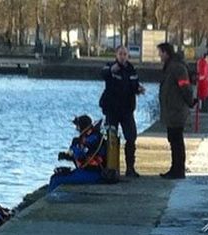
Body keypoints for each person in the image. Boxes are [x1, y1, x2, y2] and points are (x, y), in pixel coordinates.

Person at [99, 45, 146, 178]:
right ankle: (111, 168)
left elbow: (134, 85)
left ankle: (130, 168)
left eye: (125, 54)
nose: (122, 56)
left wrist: (139, 89)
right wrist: (110, 71)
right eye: (120, 54)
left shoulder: (131, 69)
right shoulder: (110, 67)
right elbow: (103, 73)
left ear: (128, 56)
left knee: (131, 137)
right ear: (116, 54)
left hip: (127, 110)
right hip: (112, 109)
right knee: (111, 138)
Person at [157, 42, 195, 179]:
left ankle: (178, 170)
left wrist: (190, 102)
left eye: (160, 52)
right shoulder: (170, 67)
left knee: (177, 140)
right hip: (172, 110)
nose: (159, 55)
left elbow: (185, 87)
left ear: (166, 53)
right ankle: (175, 168)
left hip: (176, 110)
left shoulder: (177, 68)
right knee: (173, 139)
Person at [48, 115, 108, 192]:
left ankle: (51, 200)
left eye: (78, 127)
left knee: (56, 179)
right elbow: (81, 156)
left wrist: (72, 151)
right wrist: (66, 156)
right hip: (86, 171)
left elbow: (82, 154)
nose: (77, 129)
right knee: (58, 175)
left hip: (93, 174)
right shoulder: (87, 138)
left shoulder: (93, 139)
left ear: (83, 127)